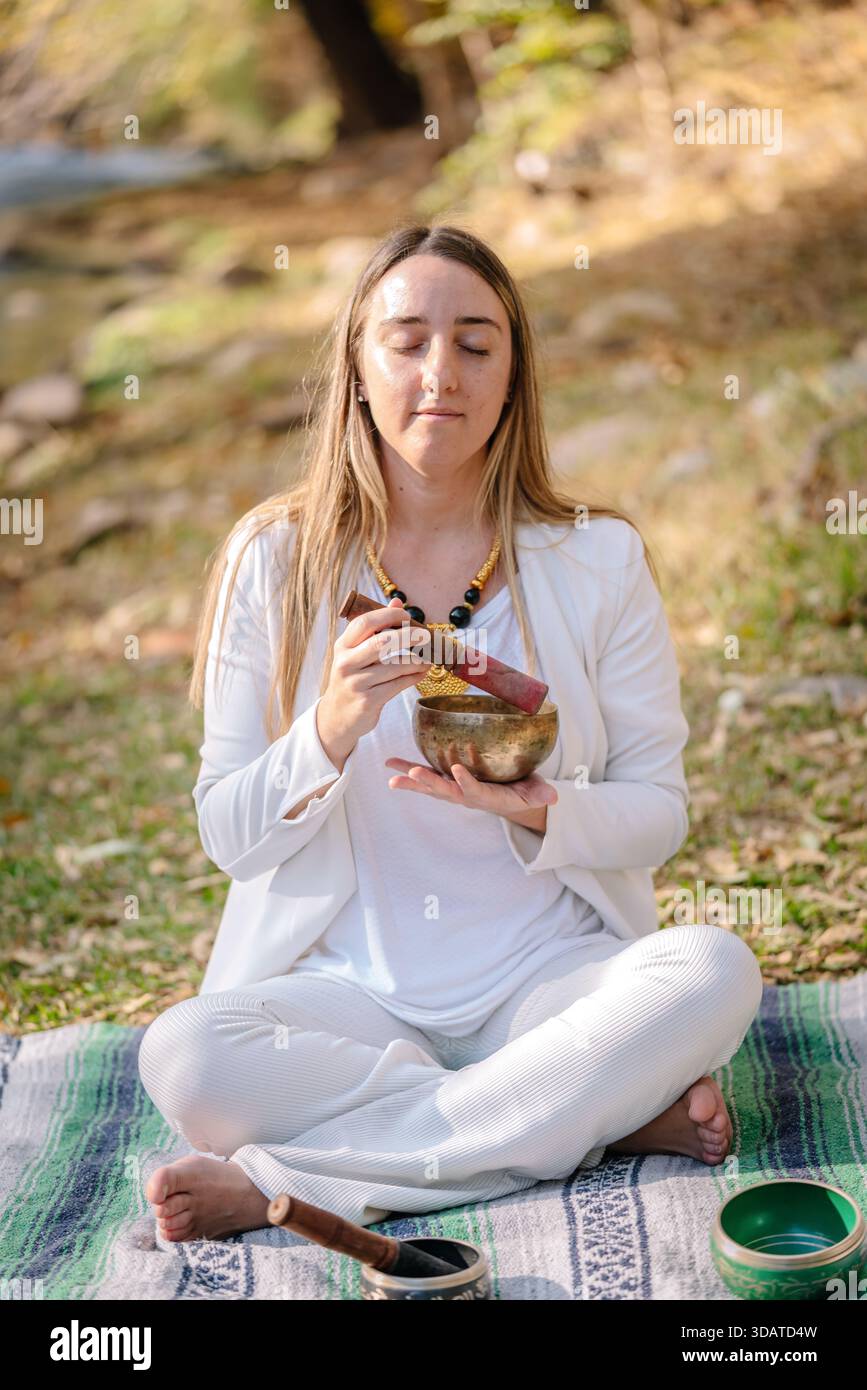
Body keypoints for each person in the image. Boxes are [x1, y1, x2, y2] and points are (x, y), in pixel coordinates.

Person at [137, 223, 764, 1242]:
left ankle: (299, 1184)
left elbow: (658, 811)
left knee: (716, 969)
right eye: (407, 340)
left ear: (514, 375)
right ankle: (580, 1112)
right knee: (183, 1058)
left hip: (547, 983)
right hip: (351, 999)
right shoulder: (275, 559)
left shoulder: (598, 557)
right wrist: (332, 725)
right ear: (355, 364)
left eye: (476, 343)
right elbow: (229, 834)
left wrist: (541, 806)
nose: (442, 373)